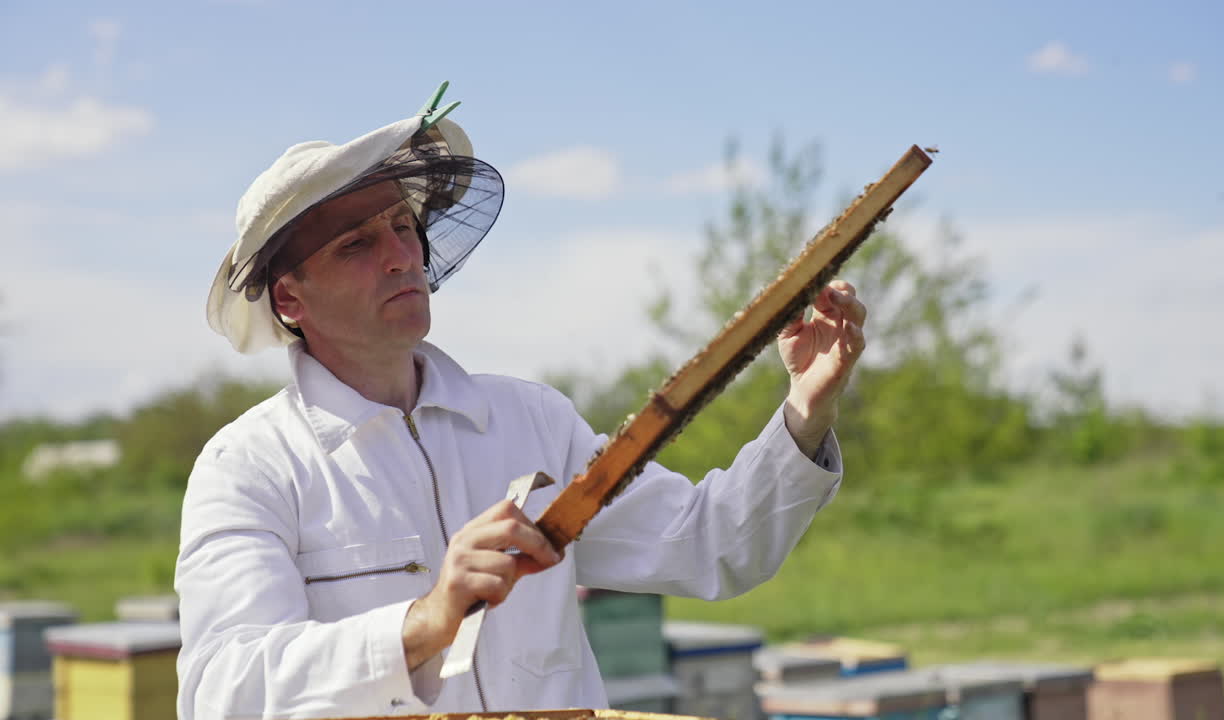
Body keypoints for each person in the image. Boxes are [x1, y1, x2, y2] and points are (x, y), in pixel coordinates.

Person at [177, 83, 866, 718]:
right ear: (291, 297)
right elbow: (222, 691)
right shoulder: (249, 467)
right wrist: (425, 620)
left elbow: (710, 545)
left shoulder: (531, 421)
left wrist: (808, 406)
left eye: (401, 226)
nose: (399, 255)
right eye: (357, 243)